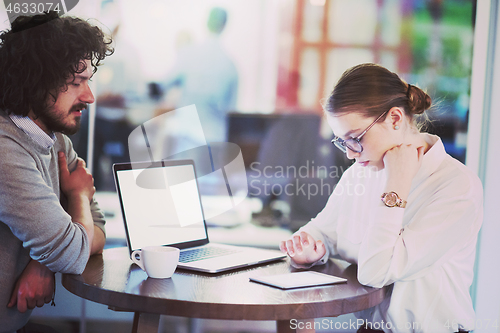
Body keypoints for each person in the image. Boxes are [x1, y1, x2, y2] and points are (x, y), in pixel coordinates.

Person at [279, 63, 483, 333]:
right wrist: (310, 250)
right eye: (342, 142)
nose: (350, 153)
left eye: (356, 138)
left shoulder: (457, 187)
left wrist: (396, 183)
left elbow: (375, 272)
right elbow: (321, 230)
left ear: (396, 119)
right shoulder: (361, 173)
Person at [0, 11, 113, 332]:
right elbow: (74, 250)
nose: (89, 96)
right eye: (77, 82)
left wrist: (43, 261)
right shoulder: (5, 149)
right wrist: (77, 194)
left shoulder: (57, 141)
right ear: (33, 81)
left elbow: (97, 228)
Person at [160, 7, 238, 149]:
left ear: (206, 22)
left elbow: (163, 85)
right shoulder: (230, 65)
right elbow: (232, 107)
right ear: (225, 25)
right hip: (215, 138)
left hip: (188, 137)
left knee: (185, 170)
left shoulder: (189, 55)